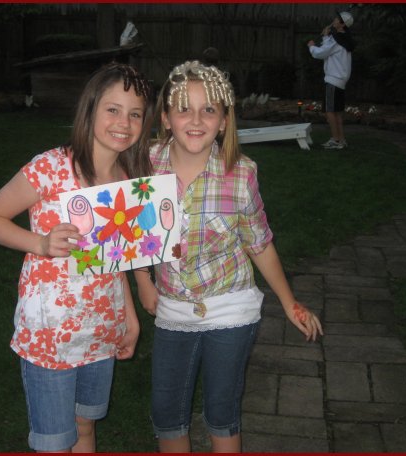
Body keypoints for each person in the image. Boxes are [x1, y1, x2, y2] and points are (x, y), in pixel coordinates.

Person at [134, 60, 323, 453]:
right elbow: (135, 232)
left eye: (208, 109)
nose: (196, 120)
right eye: (183, 109)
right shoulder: (145, 164)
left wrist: (289, 302)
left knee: (221, 413)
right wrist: (143, 281)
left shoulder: (241, 173)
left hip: (231, 307)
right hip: (172, 308)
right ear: (165, 118)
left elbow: (259, 242)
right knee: (167, 416)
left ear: (223, 121)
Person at [0, 62, 154, 453]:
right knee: (55, 442)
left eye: (135, 114)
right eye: (113, 109)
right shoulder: (51, 168)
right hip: (49, 335)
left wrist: (130, 317)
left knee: (85, 425)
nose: (124, 122)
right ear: (90, 109)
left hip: (101, 330)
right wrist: (39, 243)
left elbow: (114, 259)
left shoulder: (127, 180)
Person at [307, 11, 355, 150]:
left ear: (342, 24)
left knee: (330, 111)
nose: (334, 20)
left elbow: (321, 53)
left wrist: (311, 46)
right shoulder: (343, 39)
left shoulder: (337, 40)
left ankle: (336, 140)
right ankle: (341, 139)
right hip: (339, 81)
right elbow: (329, 49)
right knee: (337, 112)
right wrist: (326, 36)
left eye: (337, 19)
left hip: (333, 80)